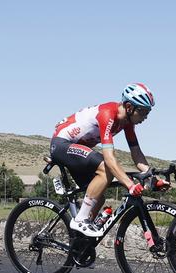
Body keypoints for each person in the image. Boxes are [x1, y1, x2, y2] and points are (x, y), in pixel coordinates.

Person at [51, 83, 166, 237]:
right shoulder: (108, 114)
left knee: (98, 197)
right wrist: (130, 185)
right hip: (61, 144)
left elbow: (136, 153)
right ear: (129, 107)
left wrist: (152, 177)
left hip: (76, 149)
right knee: (106, 169)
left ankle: (80, 241)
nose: (145, 117)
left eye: (148, 112)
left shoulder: (127, 123)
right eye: (143, 111)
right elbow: (109, 159)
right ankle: (80, 220)